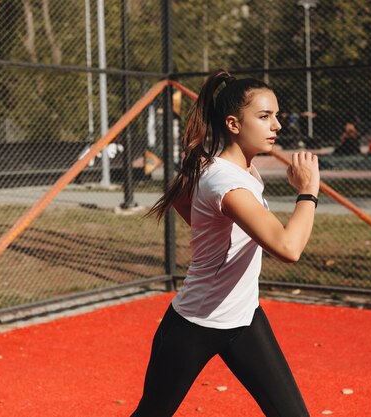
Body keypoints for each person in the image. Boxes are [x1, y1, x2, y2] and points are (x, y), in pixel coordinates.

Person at [132, 69, 319, 417]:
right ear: (233, 124)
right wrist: (308, 191)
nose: (276, 125)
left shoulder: (237, 169)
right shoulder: (226, 182)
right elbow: (288, 247)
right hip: (196, 323)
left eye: (276, 115)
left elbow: (183, 201)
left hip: (244, 319)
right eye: (264, 117)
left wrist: (209, 230)